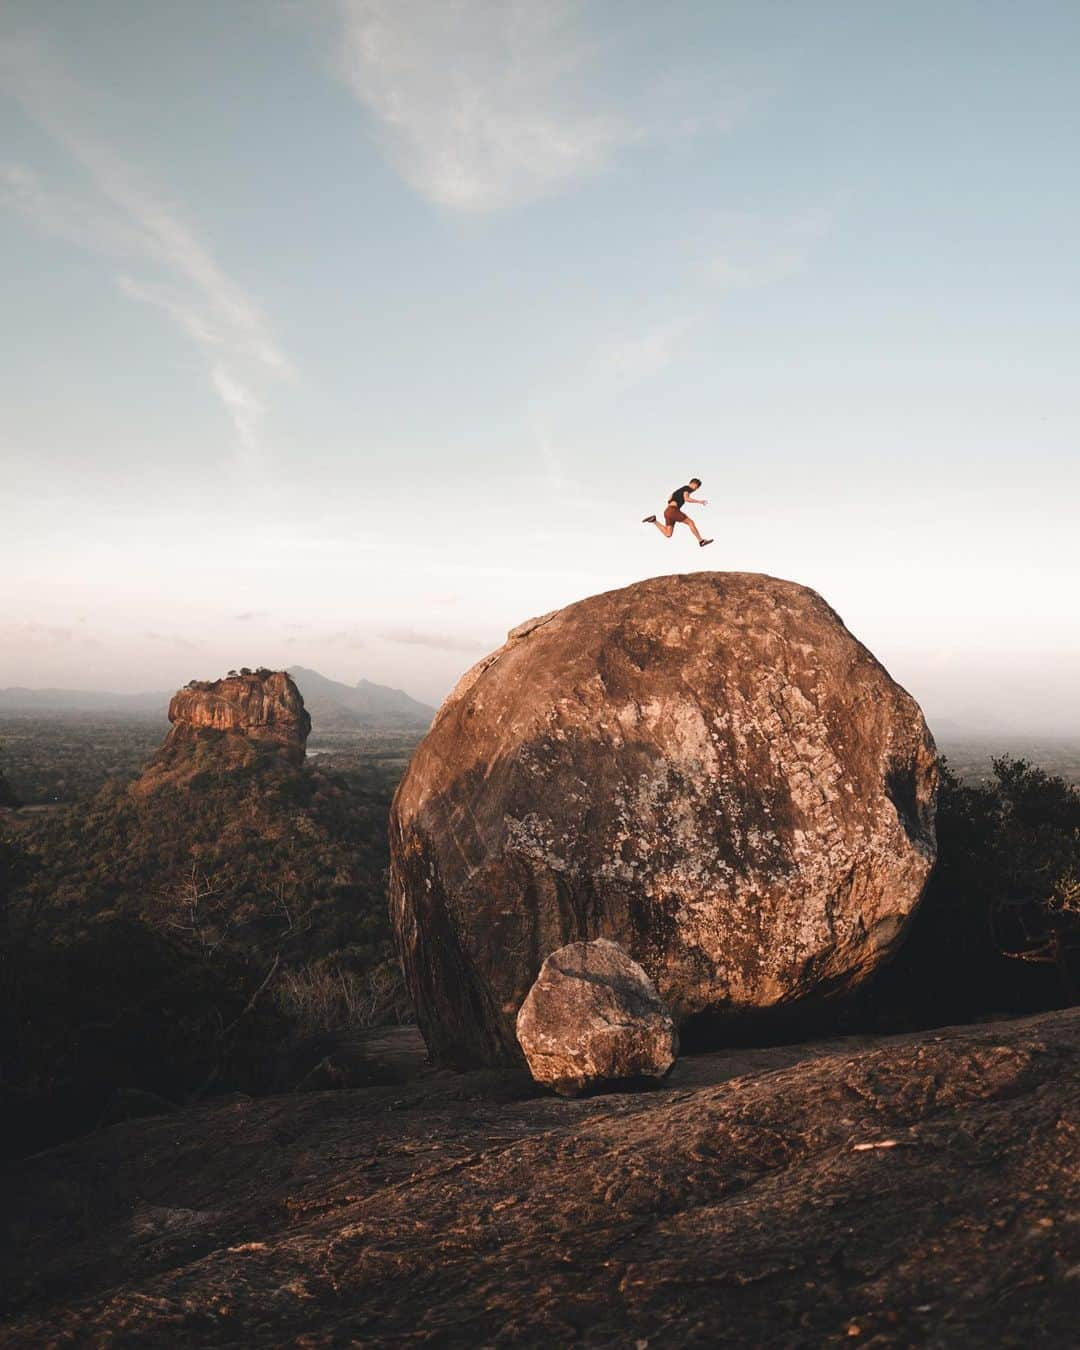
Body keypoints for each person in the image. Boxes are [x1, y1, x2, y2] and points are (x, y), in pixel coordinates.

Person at [642, 478, 713, 547]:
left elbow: (669, 498)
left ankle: (654, 520)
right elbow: (687, 499)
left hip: (667, 511)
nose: (695, 489)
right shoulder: (687, 488)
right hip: (673, 510)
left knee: (668, 534)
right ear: (693, 484)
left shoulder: (678, 490)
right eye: (696, 487)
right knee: (690, 522)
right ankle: (701, 541)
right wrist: (700, 501)